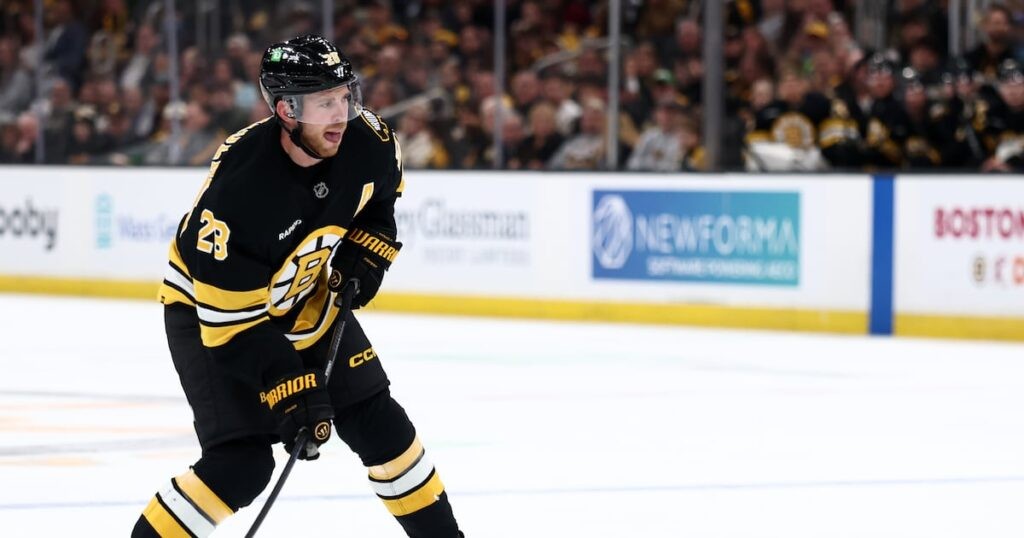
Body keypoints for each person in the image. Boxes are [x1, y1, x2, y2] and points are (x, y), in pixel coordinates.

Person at [131, 34, 463, 538]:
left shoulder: (369, 142)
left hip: (303, 295)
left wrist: (368, 248)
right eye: (324, 103)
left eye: (345, 96)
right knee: (241, 466)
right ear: (286, 110)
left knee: (382, 426)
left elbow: (380, 202)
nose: (341, 114)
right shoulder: (239, 195)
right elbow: (231, 328)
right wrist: (290, 386)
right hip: (210, 314)